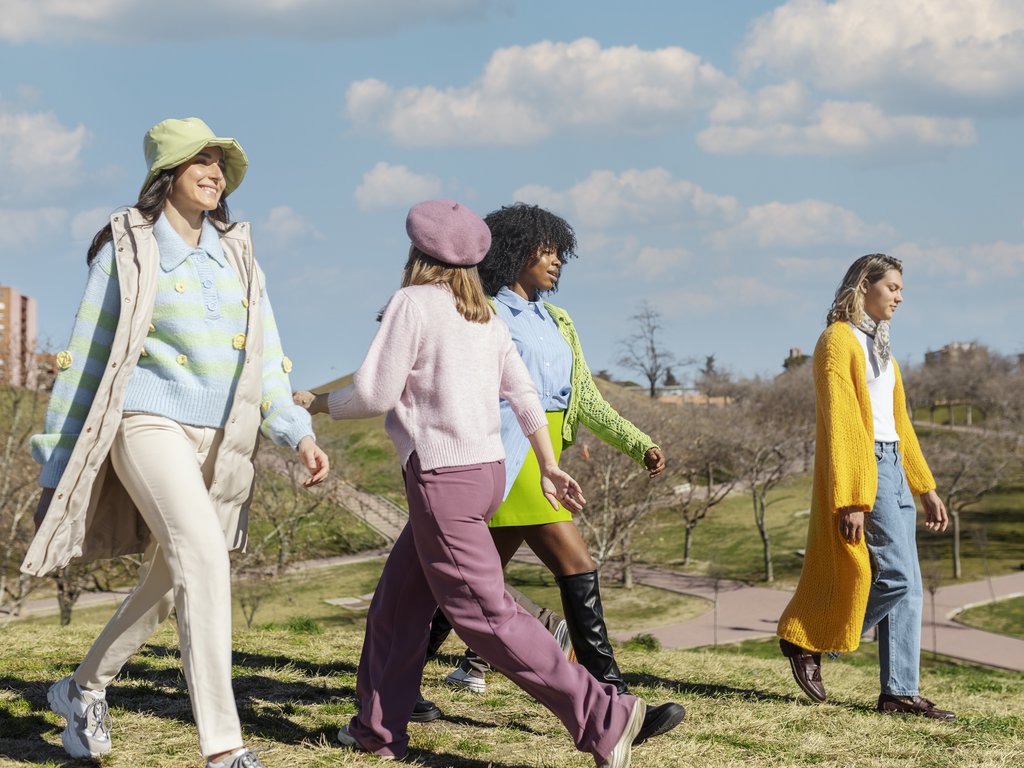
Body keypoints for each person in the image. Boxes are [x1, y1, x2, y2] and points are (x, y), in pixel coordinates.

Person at [298, 199, 680, 767]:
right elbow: (525, 394)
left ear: (417, 250)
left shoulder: (413, 303)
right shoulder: (481, 313)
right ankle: (374, 729)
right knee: (398, 605)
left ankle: (604, 714)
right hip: (487, 475)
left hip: (443, 478)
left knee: (484, 615)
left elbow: (375, 394)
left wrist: (316, 403)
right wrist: (549, 464)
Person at [23, 117, 329, 768]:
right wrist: (55, 461)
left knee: (167, 588)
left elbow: (267, 361)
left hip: (220, 440)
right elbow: (83, 358)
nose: (217, 173)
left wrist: (297, 433)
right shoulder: (129, 251)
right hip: (147, 422)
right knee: (207, 561)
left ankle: (82, 689)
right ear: (169, 173)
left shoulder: (239, 256)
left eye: (222, 164)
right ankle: (224, 749)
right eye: (203, 161)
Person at [424, 203, 683, 735]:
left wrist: (640, 444)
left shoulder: (557, 321)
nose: (557, 261)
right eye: (546, 250)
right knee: (574, 562)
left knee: (463, 591)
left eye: (560, 251)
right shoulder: (484, 311)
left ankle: (396, 682)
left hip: (542, 459)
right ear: (514, 252)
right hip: (502, 456)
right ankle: (614, 696)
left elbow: (584, 399)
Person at [776, 253, 954, 720]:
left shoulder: (879, 344)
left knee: (909, 585)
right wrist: (852, 496)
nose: (899, 296)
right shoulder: (838, 341)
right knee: (895, 576)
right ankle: (809, 639)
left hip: (892, 465)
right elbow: (842, 424)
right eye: (892, 286)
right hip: (865, 468)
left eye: (900, 288)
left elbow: (898, 422)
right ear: (863, 287)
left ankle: (898, 692)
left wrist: (924, 485)